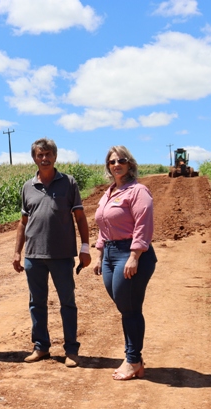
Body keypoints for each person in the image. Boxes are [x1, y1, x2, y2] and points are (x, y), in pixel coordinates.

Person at [12, 138, 91, 368]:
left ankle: (71, 350)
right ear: (34, 158)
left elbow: (80, 217)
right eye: (40, 155)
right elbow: (22, 222)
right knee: (37, 303)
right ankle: (41, 347)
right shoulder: (28, 186)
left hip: (62, 255)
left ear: (55, 157)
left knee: (67, 302)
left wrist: (85, 247)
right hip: (34, 256)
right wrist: (17, 252)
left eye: (48, 154)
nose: (44, 158)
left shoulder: (69, 183)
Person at [93, 146, 157, 380]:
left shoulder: (138, 191)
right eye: (112, 162)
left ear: (130, 164)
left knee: (129, 308)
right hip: (110, 254)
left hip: (130, 254)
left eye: (121, 160)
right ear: (108, 166)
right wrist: (100, 254)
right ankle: (136, 360)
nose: (116, 164)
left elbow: (143, 224)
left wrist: (134, 256)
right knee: (125, 307)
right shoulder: (109, 192)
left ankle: (132, 359)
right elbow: (104, 226)